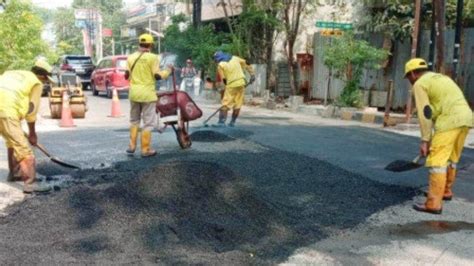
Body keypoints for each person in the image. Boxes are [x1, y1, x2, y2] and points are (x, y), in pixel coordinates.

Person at [405, 58, 473, 214]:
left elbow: (425, 114)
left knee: (437, 162)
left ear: (413, 74)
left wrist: (425, 140)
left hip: (449, 120)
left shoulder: (420, 84)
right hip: (466, 118)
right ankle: (446, 191)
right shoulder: (441, 78)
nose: (409, 81)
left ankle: (433, 204)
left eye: (408, 77)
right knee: (452, 158)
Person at [0, 59, 55, 193]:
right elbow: (32, 109)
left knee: (12, 142)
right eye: (46, 80)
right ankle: (30, 184)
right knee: (24, 149)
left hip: (6, 109)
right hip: (7, 110)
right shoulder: (36, 82)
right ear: (42, 76)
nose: (45, 83)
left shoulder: (11, 73)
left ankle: (15, 173)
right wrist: (32, 133)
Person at [125, 33, 171, 157]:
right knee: (148, 123)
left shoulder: (130, 57)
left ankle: (131, 146)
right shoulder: (152, 57)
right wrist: (168, 71)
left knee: (134, 120)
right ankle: (145, 150)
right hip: (147, 95)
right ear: (150, 45)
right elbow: (157, 75)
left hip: (134, 93)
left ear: (139, 43)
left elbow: (126, 75)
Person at [213, 51, 255, 127]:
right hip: (241, 83)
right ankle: (232, 122)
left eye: (216, 60)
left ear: (218, 58)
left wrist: (225, 88)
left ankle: (221, 123)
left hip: (231, 85)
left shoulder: (220, 65)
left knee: (225, 105)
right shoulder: (235, 58)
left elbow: (224, 79)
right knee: (237, 104)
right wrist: (252, 75)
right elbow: (247, 63)